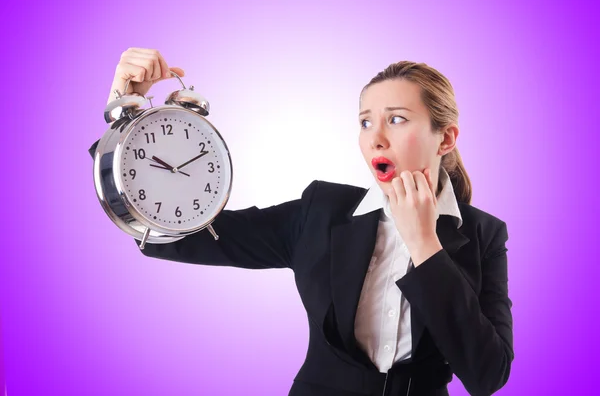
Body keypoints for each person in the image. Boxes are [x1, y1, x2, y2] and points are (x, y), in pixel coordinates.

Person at [88, 48, 514, 396]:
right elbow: (181, 236)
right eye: (365, 122)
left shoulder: (483, 235)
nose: (376, 137)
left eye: (396, 118)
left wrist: (425, 245)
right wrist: (122, 122)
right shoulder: (321, 212)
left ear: (447, 137)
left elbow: (486, 375)